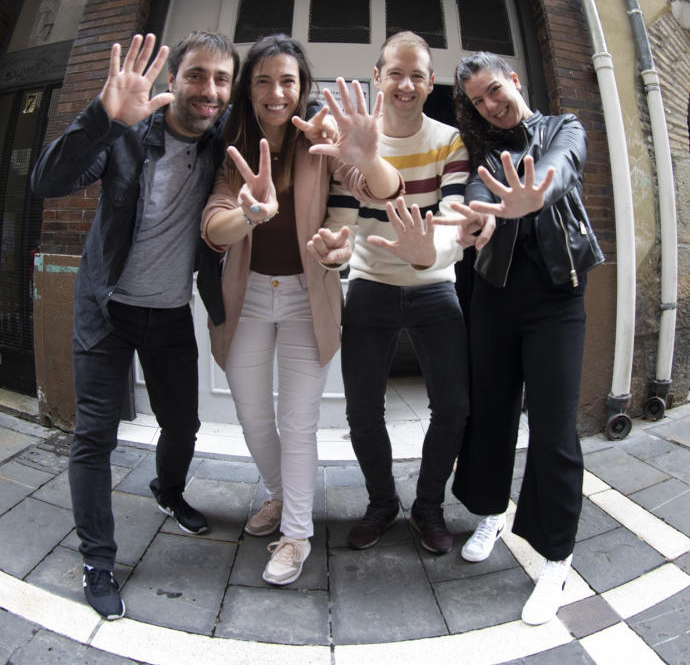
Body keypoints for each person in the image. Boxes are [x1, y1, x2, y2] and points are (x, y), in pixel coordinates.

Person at [30, 32, 241, 619]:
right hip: (107, 310)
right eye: (198, 75)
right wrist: (100, 116)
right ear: (174, 77)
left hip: (170, 310)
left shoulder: (222, 145)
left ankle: (167, 492)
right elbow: (47, 183)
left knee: (184, 424)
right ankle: (98, 558)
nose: (210, 90)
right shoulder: (124, 133)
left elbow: (285, 121)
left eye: (222, 79)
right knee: (95, 436)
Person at [200, 34, 399, 585]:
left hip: (307, 298)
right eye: (262, 79)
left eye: (286, 80)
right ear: (248, 89)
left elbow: (378, 190)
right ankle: (283, 496)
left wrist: (369, 155)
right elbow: (215, 228)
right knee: (252, 413)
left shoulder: (321, 140)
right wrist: (251, 214)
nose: (275, 91)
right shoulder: (234, 147)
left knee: (299, 422)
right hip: (247, 298)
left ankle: (296, 534)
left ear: (302, 87)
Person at [444, 51, 604, 625]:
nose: (491, 104)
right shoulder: (486, 152)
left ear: (515, 78)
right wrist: (478, 217)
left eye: (494, 90)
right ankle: (490, 509)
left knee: (555, 427)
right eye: (479, 100)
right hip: (494, 297)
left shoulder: (562, 126)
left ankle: (555, 556)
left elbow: (565, 161)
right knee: (491, 412)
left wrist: (539, 188)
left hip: (557, 297)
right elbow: (474, 197)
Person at [309, 31, 471, 555]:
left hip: (433, 288)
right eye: (395, 73)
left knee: (453, 407)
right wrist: (334, 250)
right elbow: (341, 218)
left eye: (417, 75)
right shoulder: (355, 136)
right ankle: (381, 503)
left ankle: (428, 506)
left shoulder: (449, 141)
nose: (405, 84)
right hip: (372, 287)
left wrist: (428, 251)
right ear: (377, 77)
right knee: (361, 410)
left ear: (430, 85)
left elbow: (452, 222)